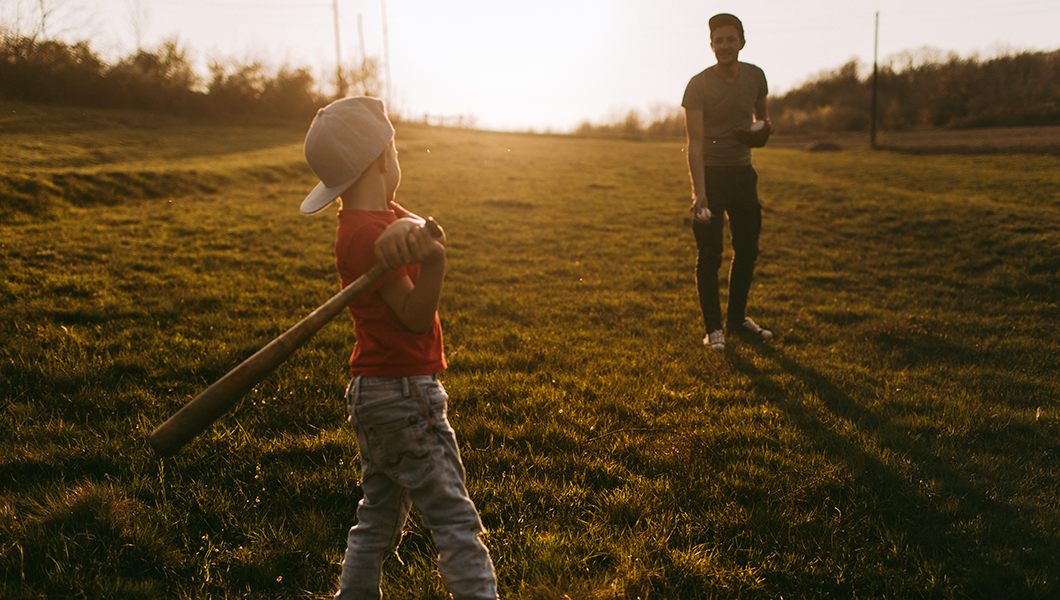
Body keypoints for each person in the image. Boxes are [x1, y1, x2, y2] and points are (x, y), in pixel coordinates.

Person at [300, 96, 498, 600]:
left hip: (373, 393)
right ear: (385, 158)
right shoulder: (369, 234)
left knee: (379, 516)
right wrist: (434, 265)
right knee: (454, 517)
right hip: (405, 393)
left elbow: (429, 231)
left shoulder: (369, 220)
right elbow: (413, 319)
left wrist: (412, 229)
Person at [682, 13, 774, 351]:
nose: (724, 45)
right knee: (710, 254)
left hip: (744, 175)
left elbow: (762, 119)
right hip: (711, 174)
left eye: (730, 39)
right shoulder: (698, 85)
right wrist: (700, 193)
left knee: (747, 249)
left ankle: (736, 320)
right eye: (718, 40)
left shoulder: (755, 76)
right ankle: (713, 330)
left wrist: (761, 131)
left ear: (741, 42)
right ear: (711, 45)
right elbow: (694, 143)